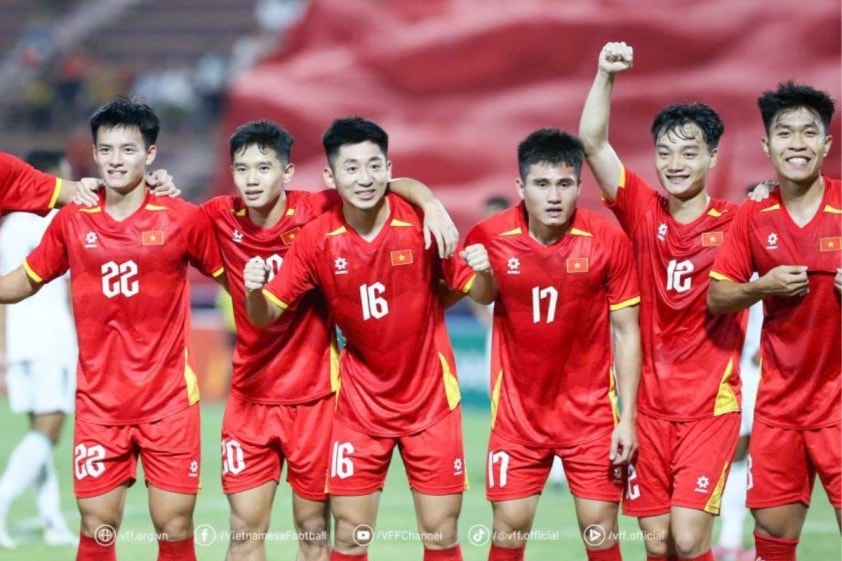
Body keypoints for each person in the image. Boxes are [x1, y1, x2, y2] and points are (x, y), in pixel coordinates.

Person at [201, 119, 459, 561]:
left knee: (314, 530)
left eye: (264, 167)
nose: (252, 179)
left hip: (317, 398)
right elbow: (163, 216)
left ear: (287, 172)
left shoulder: (319, 209)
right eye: (242, 169)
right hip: (249, 396)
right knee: (243, 532)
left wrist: (429, 201)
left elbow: (377, 182)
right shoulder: (216, 216)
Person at [0, 97, 227, 561]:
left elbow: (236, 281)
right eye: (106, 150)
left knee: (175, 526)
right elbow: (22, 282)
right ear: (94, 153)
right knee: (97, 527)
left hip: (168, 403)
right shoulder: (72, 219)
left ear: (151, 154)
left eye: (128, 149)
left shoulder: (182, 218)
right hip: (99, 405)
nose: (115, 160)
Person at [578, 41, 746, 561]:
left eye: (689, 153)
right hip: (646, 409)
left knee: (690, 539)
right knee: (658, 544)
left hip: (708, 408)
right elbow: (592, 142)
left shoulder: (739, 222)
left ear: (712, 156)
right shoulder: (642, 209)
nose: (675, 164)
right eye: (665, 152)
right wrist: (605, 73)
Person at [463, 129, 640, 561]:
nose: (554, 196)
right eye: (542, 184)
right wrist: (483, 274)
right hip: (517, 418)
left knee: (600, 530)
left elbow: (626, 331)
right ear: (521, 186)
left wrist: (628, 418)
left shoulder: (607, 240)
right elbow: (482, 296)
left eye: (565, 183)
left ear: (580, 185)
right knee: (507, 529)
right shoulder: (488, 235)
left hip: (591, 416)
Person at [708, 81, 841, 561]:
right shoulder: (753, 216)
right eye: (785, 133)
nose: (797, 144)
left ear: (826, 143)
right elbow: (718, 296)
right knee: (773, 540)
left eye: (809, 132)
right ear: (767, 146)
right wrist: (762, 287)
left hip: (840, 407)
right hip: (779, 409)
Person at [0, 150, 78, 549]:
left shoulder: (10, 225)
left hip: (19, 340)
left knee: (39, 433)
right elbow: (69, 287)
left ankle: (51, 521)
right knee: (49, 431)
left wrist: (2, 348)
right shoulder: (52, 219)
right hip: (52, 336)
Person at [713, 297, 762, 561]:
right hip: (733, 369)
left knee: (764, 457)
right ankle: (730, 540)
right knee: (735, 456)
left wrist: (769, 345)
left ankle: (762, 541)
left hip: (761, 372)